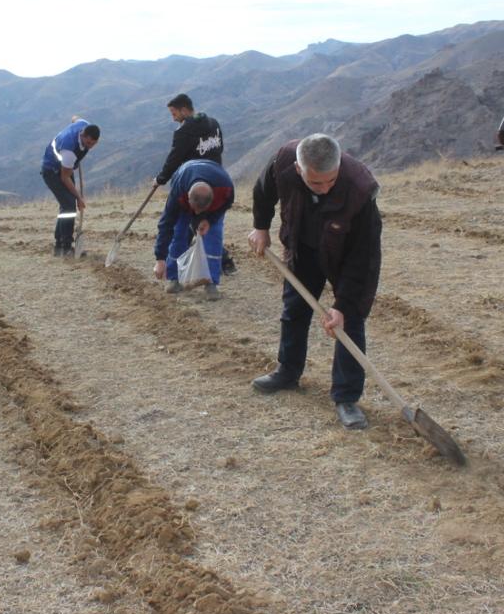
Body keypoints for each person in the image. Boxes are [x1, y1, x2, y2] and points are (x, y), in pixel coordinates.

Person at [247, 133, 382, 431]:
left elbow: (365, 257)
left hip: (345, 252)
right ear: (299, 170)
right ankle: (288, 371)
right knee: (294, 310)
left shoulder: (360, 188)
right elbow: (263, 190)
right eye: (315, 183)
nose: (324, 189)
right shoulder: (283, 161)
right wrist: (260, 227)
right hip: (303, 246)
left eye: (331, 181)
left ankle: (346, 397)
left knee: (349, 321)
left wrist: (343, 305)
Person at [155, 93, 236, 276]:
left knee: (184, 226)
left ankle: (178, 269)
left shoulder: (184, 131)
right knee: (206, 223)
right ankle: (223, 261)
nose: (173, 118)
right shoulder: (214, 123)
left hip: (191, 185)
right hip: (214, 183)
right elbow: (220, 148)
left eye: (174, 113)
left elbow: (174, 158)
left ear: (184, 110)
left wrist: (161, 178)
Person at [153, 159, 234, 300]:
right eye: (194, 210)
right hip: (185, 186)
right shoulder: (178, 191)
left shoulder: (225, 188)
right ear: (188, 199)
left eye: (200, 211)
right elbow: (166, 224)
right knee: (179, 234)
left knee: (213, 238)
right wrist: (160, 259)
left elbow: (226, 205)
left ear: (212, 200)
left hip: (212, 205)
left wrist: (210, 220)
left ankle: (210, 283)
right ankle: (174, 279)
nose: (196, 214)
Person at [40, 117, 100, 257]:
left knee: (66, 205)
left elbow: (75, 118)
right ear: (82, 135)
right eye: (88, 143)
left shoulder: (84, 124)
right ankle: (65, 247)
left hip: (65, 168)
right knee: (69, 207)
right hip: (52, 171)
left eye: (94, 144)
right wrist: (79, 198)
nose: (90, 146)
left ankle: (59, 246)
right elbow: (64, 177)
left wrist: (74, 120)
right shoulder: (69, 150)